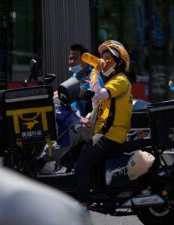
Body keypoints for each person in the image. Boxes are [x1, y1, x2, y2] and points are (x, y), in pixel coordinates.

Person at [75, 40, 133, 207]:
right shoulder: (111, 82)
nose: (103, 61)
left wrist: (95, 71)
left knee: (81, 167)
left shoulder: (120, 80)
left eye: (108, 58)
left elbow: (99, 93)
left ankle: (82, 210)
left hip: (109, 135)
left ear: (119, 62)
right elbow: (98, 103)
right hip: (105, 132)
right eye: (102, 57)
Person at [68, 44, 103, 117]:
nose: (71, 62)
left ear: (85, 60)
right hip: (74, 120)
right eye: (70, 58)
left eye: (75, 58)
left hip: (88, 122)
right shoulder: (75, 75)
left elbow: (77, 92)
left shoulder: (93, 77)